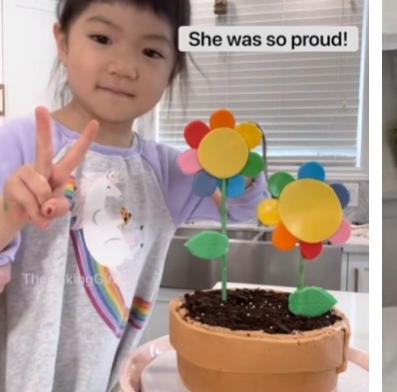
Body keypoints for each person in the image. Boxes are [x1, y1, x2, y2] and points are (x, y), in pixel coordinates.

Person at [0, 1, 269, 391]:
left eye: (151, 51)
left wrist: (240, 174)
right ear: (62, 41)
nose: (124, 67)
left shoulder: (167, 172)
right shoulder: (20, 142)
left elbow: (242, 212)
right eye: (102, 38)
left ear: (173, 70)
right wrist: (9, 214)